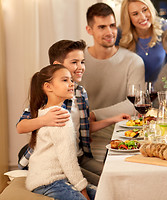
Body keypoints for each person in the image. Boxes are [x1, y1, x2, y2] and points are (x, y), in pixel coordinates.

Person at [17, 40, 129, 185]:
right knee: (105, 184)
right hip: (57, 161)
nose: (80, 67)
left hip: (79, 156)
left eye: (82, 62)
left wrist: (113, 119)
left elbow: (84, 127)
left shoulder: (80, 93)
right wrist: (45, 119)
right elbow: (21, 126)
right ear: (57, 65)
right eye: (74, 62)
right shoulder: (48, 93)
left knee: (113, 175)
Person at [80, 2, 145, 161]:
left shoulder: (133, 61)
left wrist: (95, 114)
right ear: (89, 30)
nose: (109, 32)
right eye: (102, 27)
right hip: (85, 135)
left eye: (112, 25)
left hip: (122, 134)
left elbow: (134, 103)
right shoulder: (78, 60)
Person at [25, 64, 96, 200]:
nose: (71, 84)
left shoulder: (46, 112)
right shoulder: (59, 116)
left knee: (104, 194)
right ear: (48, 87)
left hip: (56, 178)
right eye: (65, 80)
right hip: (49, 182)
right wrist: (82, 190)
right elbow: (68, 160)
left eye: (71, 80)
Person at [119, 0, 167, 83]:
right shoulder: (120, 34)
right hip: (132, 92)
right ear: (128, 18)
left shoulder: (165, 28)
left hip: (161, 92)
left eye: (145, 10)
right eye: (135, 14)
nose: (143, 17)